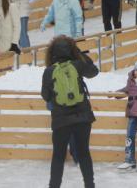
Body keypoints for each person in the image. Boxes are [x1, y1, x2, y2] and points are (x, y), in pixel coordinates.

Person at [41, 36, 99, 188]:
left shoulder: (49, 71)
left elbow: (45, 96)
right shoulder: (78, 65)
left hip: (61, 120)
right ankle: (89, 185)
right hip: (83, 117)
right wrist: (78, 53)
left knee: (58, 156)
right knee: (84, 153)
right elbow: (94, 71)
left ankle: (54, 186)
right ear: (71, 50)